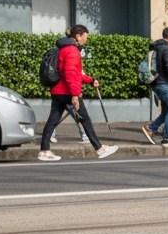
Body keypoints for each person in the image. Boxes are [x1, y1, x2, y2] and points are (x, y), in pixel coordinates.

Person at [38, 25, 118, 162]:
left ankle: (44, 151)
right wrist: (75, 95)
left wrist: (90, 80)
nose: (86, 40)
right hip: (68, 92)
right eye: (85, 37)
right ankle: (99, 148)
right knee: (85, 120)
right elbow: (70, 74)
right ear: (78, 36)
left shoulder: (63, 48)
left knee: (52, 121)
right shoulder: (72, 51)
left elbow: (74, 73)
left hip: (57, 91)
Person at [141, 28, 168, 146]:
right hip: (165, 83)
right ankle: (167, 136)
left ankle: (151, 129)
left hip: (157, 83)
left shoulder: (157, 47)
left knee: (167, 110)